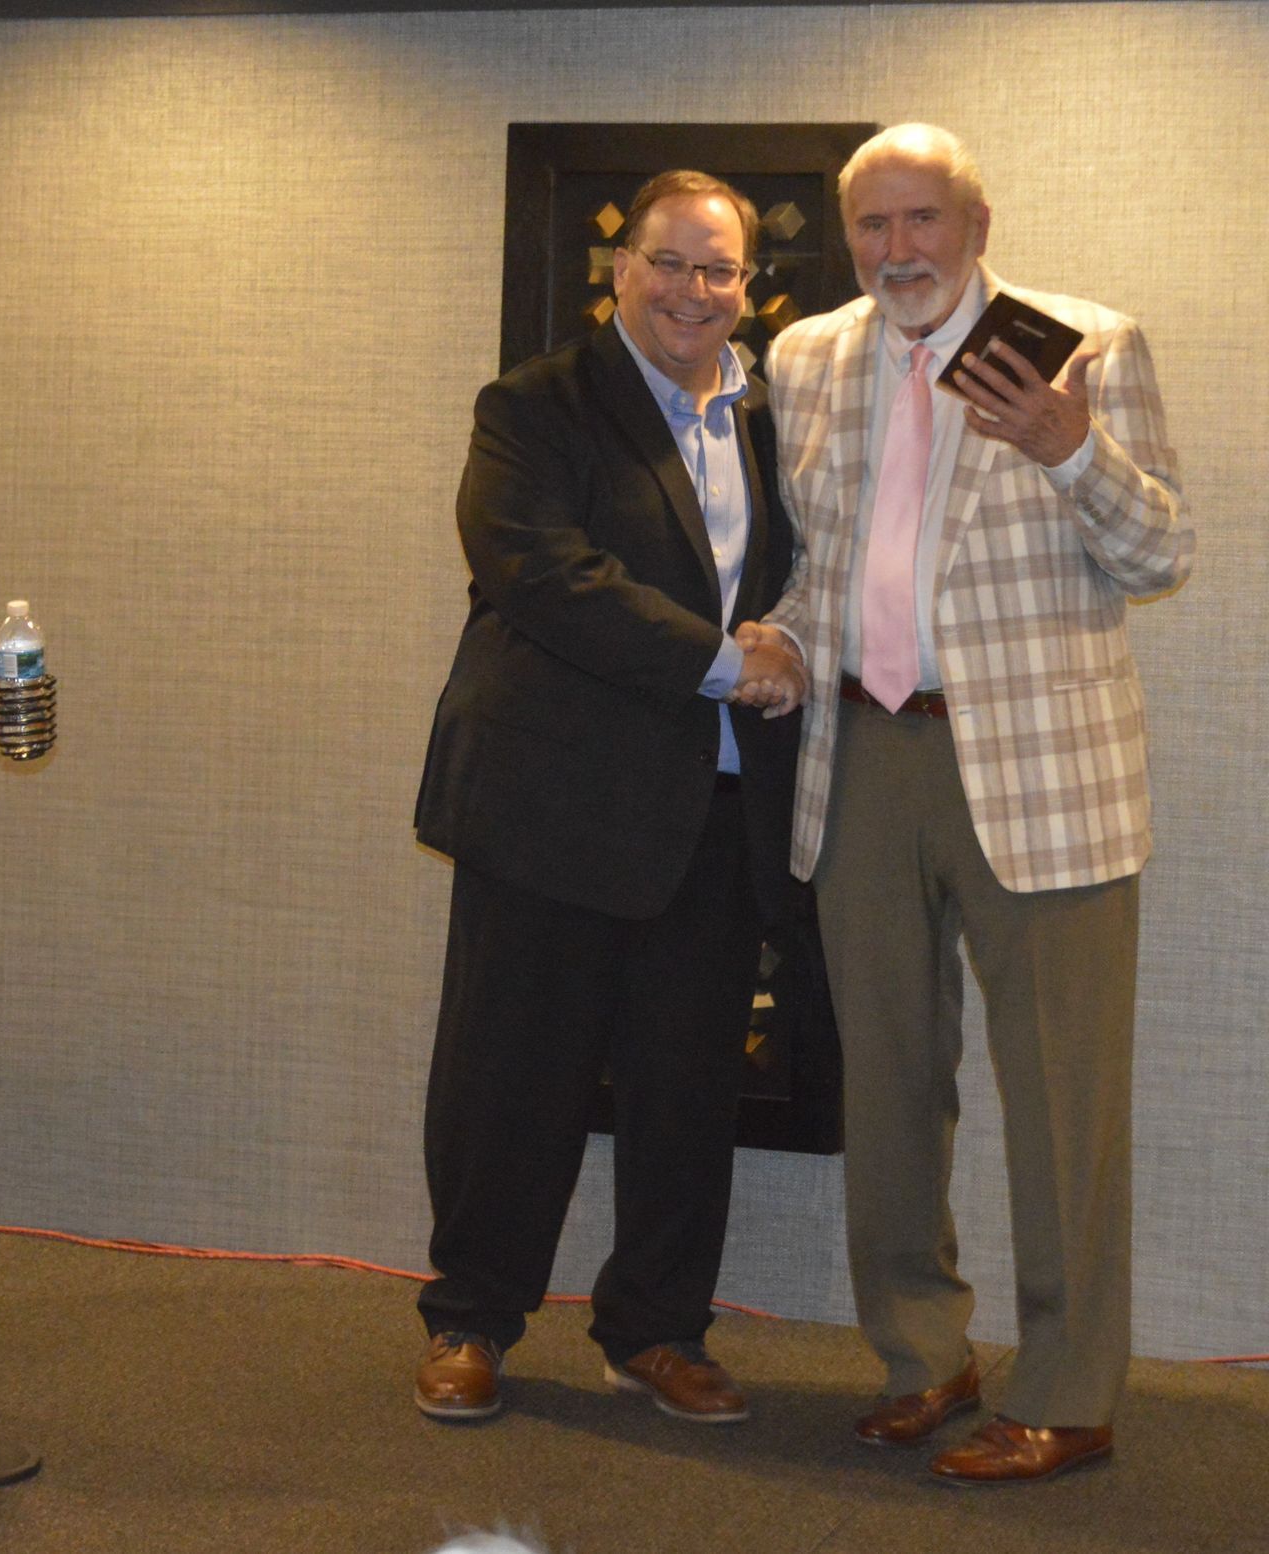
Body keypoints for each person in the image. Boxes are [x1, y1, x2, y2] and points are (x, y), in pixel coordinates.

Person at [747, 123, 1192, 1483]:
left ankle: (1068, 1389)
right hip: (864, 753)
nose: (897, 251)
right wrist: (771, 640)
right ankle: (921, 1356)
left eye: (922, 221)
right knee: (885, 1082)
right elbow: (822, 557)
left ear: (976, 225)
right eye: (872, 226)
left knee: (1063, 1096)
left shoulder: (1088, 346)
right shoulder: (806, 355)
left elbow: (1160, 548)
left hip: (1043, 768)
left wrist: (1069, 446)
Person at [410, 170, 804, 1425]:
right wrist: (727, 658)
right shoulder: (534, 406)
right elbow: (539, 572)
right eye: (670, 262)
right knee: (508, 1076)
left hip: (715, 809)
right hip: (550, 802)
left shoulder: (772, 421)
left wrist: (790, 641)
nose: (695, 290)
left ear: (750, 285)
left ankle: (657, 1331)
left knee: (689, 1085)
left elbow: (812, 568)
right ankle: (471, 1319)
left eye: (720, 269)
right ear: (619, 269)